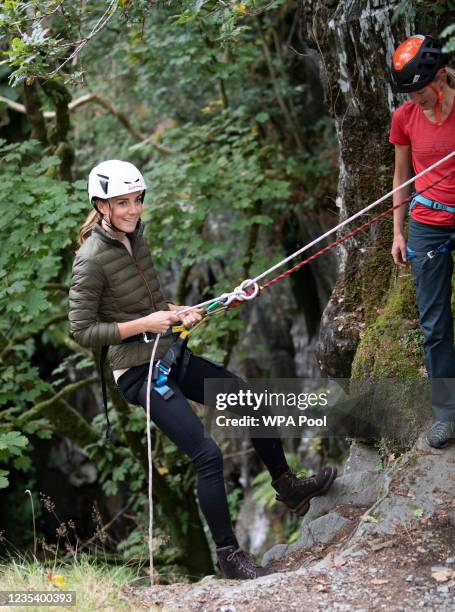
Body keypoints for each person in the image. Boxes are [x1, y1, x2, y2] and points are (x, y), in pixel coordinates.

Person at [68, 159, 337, 579]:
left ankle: (286, 486)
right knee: (207, 455)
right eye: (122, 203)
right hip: (137, 374)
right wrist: (149, 324)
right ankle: (229, 556)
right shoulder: (90, 259)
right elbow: (83, 330)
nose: (133, 209)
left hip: (170, 355)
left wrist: (180, 312)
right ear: (101, 205)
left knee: (249, 398)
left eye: (137, 200)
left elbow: (149, 305)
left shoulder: (135, 238)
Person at [389, 35, 455, 448]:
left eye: (420, 90)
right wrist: (397, 230)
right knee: (434, 324)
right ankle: (447, 413)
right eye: (409, 94)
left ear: (442, 76)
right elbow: (401, 177)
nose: (415, 100)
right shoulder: (405, 117)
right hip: (426, 223)